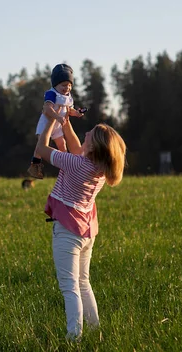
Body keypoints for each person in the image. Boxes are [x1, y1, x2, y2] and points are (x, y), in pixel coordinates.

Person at [35, 114, 126, 341]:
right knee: (83, 282)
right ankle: (95, 330)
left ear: (94, 145)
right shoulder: (99, 168)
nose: (85, 133)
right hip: (86, 232)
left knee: (69, 287)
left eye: (90, 133)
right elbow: (76, 146)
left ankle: (73, 337)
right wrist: (64, 122)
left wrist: (48, 121)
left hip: (68, 231)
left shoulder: (76, 164)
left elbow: (41, 148)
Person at [28, 63, 85, 179]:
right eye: (63, 85)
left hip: (58, 125)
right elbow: (47, 109)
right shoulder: (52, 94)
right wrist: (57, 117)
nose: (67, 88)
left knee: (62, 144)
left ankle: (65, 165)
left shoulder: (68, 97)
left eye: (69, 85)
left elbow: (70, 110)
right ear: (55, 84)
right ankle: (35, 165)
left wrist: (77, 113)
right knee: (42, 145)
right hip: (47, 123)